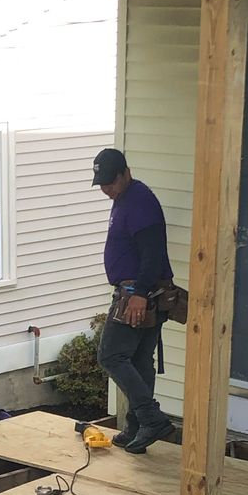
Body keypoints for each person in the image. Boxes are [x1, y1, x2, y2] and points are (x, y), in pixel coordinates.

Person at [92, 147, 175, 454]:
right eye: (101, 184)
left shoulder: (139, 202)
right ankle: (137, 427)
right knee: (140, 360)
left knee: (111, 355)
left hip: (138, 294)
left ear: (125, 173)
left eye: (110, 183)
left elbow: (152, 252)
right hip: (139, 292)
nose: (106, 189)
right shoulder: (125, 199)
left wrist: (139, 293)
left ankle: (150, 418)